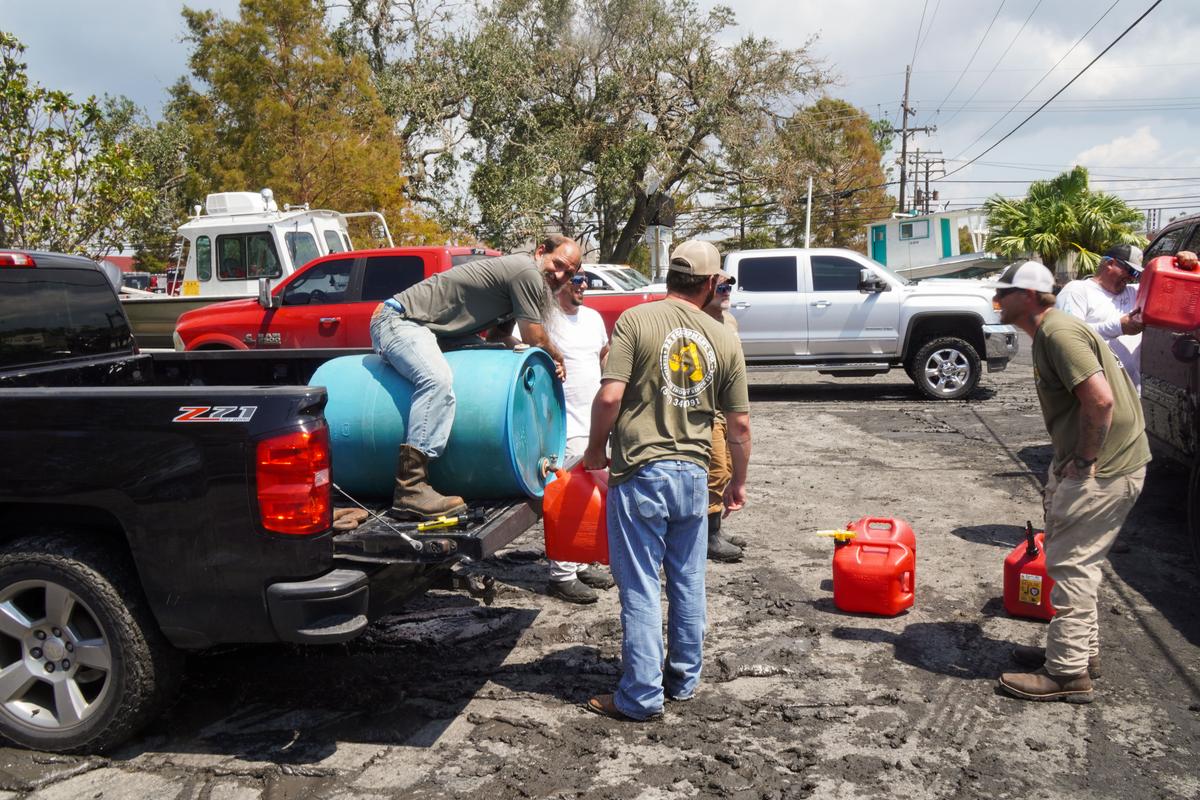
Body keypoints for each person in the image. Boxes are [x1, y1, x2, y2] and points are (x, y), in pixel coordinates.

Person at [582, 240, 751, 721]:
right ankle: (683, 679)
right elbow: (739, 427)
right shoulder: (724, 338)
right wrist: (738, 482)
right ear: (712, 283)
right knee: (688, 581)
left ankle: (640, 697)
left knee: (639, 587)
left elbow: (610, 397)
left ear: (670, 276)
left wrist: (595, 450)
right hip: (694, 477)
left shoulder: (636, 320)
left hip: (640, 472)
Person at [991, 261, 1150, 704]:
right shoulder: (1051, 331)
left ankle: (1066, 674)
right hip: (1108, 463)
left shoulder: (1058, 333)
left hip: (1105, 469)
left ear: (1028, 295)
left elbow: (1100, 402)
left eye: (1004, 293)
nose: (997, 300)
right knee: (1079, 563)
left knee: (1071, 567)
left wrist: (1083, 461)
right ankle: (1081, 655)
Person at [371, 235, 581, 520]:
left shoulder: (520, 281)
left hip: (429, 331)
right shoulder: (526, 272)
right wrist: (557, 357)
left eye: (569, 274)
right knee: (436, 380)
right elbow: (535, 336)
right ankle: (410, 488)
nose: (560, 276)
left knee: (483, 353)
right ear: (541, 251)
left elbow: (498, 337)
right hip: (400, 320)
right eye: (558, 265)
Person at [543, 272, 615, 603]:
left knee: (594, 497)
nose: (583, 285)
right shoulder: (545, 318)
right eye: (576, 279)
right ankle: (561, 575)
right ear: (560, 284)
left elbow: (603, 356)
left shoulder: (593, 318)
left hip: (595, 421)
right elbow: (514, 345)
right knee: (569, 499)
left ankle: (582, 561)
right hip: (564, 423)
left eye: (585, 278)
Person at [1055, 244, 1145, 394]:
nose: (1131, 277)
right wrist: (1118, 327)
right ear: (1110, 264)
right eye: (1129, 270)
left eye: (1135, 274)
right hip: (1092, 395)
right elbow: (1068, 338)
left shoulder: (1136, 293)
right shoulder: (1077, 290)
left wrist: (1187, 263)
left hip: (1131, 395)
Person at [701, 274, 747, 563]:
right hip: (711, 407)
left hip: (729, 405)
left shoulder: (729, 321)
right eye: (720, 288)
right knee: (715, 471)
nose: (726, 292)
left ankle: (717, 526)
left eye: (729, 287)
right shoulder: (700, 321)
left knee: (728, 467)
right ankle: (708, 536)